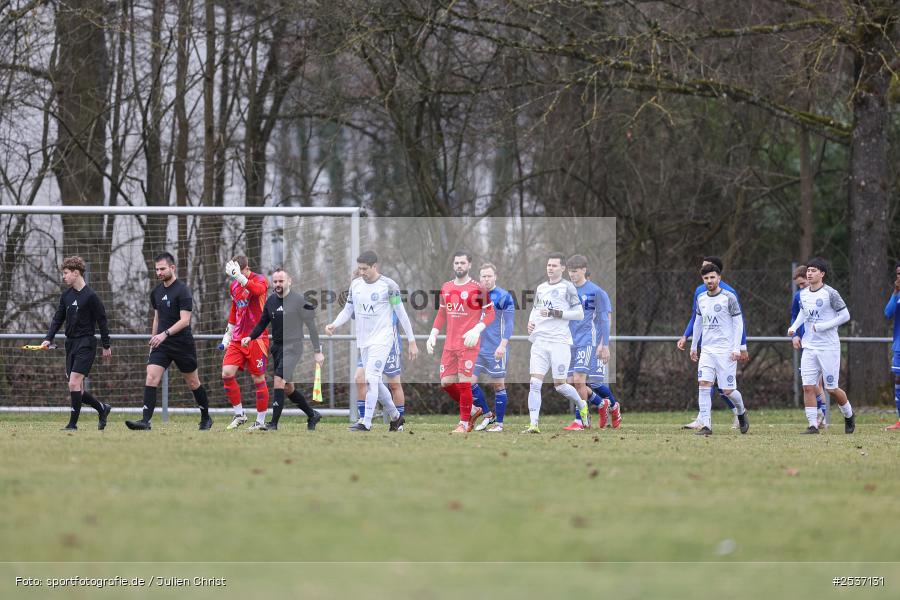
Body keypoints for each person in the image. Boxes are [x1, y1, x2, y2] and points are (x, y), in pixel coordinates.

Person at [326, 250, 418, 432]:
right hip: (364, 341)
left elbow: (402, 313)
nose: (361, 272)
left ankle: (365, 422)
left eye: (365, 269)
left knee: (371, 378)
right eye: (359, 268)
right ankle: (396, 417)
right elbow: (347, 310)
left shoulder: (389, 285)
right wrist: (334, 324)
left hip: (383, 340)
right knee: (374, 380)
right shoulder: (356, 285)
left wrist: (412, 340)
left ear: (374, 267)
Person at [125, 253, 212, 431]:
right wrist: (154, 339)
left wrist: (164, 334)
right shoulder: (156, 292)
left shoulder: (183, 290)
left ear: (172, 268)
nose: (159, 272)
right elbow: (157, 318)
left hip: (182, 344)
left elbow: (184, 321)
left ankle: (205, 417)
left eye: (162, 268)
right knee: (151, 376)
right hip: (162, 344)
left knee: (193, 383)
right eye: (156, 269)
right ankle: (145, 421)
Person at [241, 267, 324, 431]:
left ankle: (273, 424)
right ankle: (312, 414)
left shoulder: (300, 301)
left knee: (278, 380)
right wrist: (250, 337)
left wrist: (318, 351)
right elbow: (262, 324)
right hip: (277, 348)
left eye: (281, 281)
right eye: (276, 281)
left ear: (289, 281)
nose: (278, 284)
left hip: (294, 347)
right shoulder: (270, 301)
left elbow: (312, 329)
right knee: (288, 387)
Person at [426, 250, 495, 433]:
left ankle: (463, 424)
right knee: (446, 383)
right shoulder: (447, 287)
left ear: (469, 265)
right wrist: (433, 333)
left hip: (469, 344)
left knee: (465, 382)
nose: (459, 266)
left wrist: (477, 329)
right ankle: (472, 409)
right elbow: (442, 313)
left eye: (462, 263)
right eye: (456, 263)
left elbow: (490, 313)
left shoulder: (478, 288)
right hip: (450, 344)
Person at [41, 256, 112, 431]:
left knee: (73, 383)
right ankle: (102, 408)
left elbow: (102, 321)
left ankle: (72, 425)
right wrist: (48, 338)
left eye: (66, 273)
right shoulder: (66, 296)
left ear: (76, 273)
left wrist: (106, 345)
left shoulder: (91, 296)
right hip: (70, 344)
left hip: (86, 344)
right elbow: (58, 319)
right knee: (77, 390)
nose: (63, 277)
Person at [678, 256, 748, 430]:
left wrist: (738, 348)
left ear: (719, 278)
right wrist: (694, 346)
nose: (709, 280)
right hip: (707, 350)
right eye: (706, 278)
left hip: (726, 351)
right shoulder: (701, 297)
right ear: (703, 279)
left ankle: (741, 412)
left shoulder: (729, 297)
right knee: (704, 384)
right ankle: (706, 425)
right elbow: (698, 321)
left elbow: (739, 323)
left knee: (727, 391)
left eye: (712, 277)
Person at [788, 257, 855, 434]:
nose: (809, 273)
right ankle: (813, 425)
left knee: (832, 389)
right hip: (809, 347)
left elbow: (845, 315)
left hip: (828, 347)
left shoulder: (830, 293)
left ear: (822, 274)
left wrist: (824, 326)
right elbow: (803, 314)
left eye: (813, 271)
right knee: (808, 386)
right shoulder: (802, 294)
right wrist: (794, 328)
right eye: (808, 270)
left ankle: (848, 415)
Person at [522, 253, 586, 434]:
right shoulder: (541, 287)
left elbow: (579, 314)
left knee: (560, 386)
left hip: (559, 342)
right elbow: (535, 309)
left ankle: (582, 405)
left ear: (562, 268)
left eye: (554, 265)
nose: (550, 268)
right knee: (535, 383)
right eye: (548, 265)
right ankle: (533, 424)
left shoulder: (568, 288)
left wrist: (555, 313)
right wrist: (530, 322)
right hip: (540, 341)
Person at [563, 255, 615, 430]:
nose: (572, 275)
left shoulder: (596, 292)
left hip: (587, 341)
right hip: (568, 342)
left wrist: (604, 344)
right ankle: (602, 404)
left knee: (582, 381)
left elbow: (604, 320)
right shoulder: (565, 290)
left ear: (584, 270)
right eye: (570, 271)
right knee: (570, 382)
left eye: (575, 271)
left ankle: (581, 420)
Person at [220, 255, 270, 431]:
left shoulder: (260, 280)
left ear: (246, 269)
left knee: (258, 378)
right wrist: (227, 334)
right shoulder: (234, 285)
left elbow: (256, 291)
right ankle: (240, 414)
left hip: (257, 338)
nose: (236, 277)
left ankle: (261, 421)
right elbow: (235, 311)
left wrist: (241, 278)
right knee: (227, 373)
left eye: (238, 273)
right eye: (234, 275)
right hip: (237, 339)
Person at [472, 263, 515, 432]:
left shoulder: (504, 296)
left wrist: (503, 345)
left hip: (496, 349)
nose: (486, 279)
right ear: (479, 277)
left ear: (495, 277)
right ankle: (488, 416)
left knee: (498, 385)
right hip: (477, 349)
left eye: (489, 276)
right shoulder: (475, 296)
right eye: (483, 276)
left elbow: (510, 323)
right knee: (469, 382)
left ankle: (500, 423)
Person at [791, 264, 827, 428]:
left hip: (822, 344)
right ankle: (819, 416)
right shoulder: (799, 297)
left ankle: (823, 416)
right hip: (807, 344)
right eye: (799, 285)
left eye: (803, 284)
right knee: (812, 384)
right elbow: (795, 317)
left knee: (818, 384)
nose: (801, 287)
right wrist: (796, 335)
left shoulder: (824, 295)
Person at [884, 262, 900, 430]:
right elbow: (887, 313)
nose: (899, 277)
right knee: (898, 378)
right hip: (899, 345)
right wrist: (895, 292)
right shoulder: (897, 294)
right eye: (897, 274)